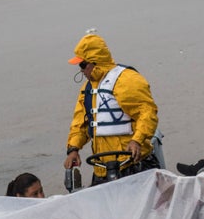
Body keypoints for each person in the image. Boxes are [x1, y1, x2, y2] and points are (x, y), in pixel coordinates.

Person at [63, 31, 160, 185]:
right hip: (102, 170)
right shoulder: (88, 89)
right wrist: (73, 149)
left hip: (133, 166)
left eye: (82, 65)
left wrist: (137, 140)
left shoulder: (128, 80)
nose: (81, 70)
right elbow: (80, 123)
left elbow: (147, 112)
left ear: (94, 62)